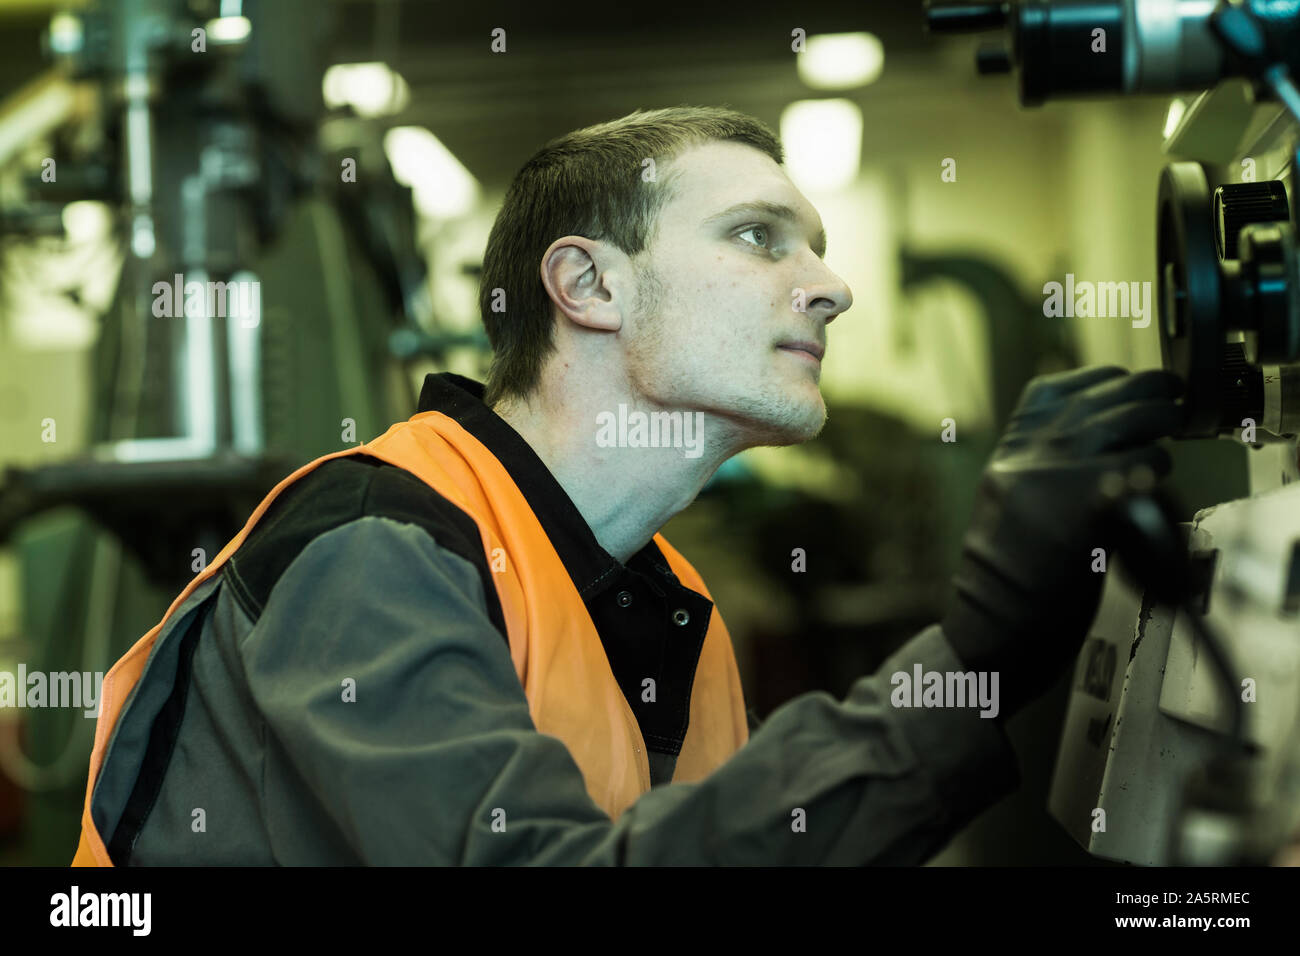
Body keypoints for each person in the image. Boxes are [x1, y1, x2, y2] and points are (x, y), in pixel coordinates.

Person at [70, 106, 1183, 866]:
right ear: (588, 283)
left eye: (819, 249)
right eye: (760, 238)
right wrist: (966, 665)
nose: (832, 287)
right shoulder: (375, 542)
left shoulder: (674, 612)